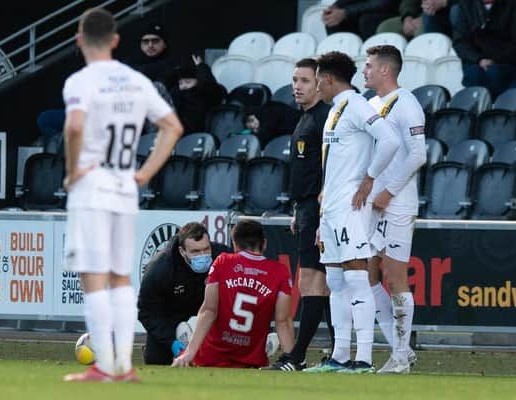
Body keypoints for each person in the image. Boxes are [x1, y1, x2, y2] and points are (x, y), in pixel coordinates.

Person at [61, 9, 183, 382]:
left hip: (93, 186)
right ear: (115, 40)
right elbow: (173, 126)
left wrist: (72, 170)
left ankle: (105, 365)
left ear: (80, 40)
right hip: (125, 189)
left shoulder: (80, 81)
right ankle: (124, 365)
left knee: (94, 278)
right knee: (120, 278)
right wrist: (145, 172)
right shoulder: (136, 80)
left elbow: (75, 125)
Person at [303, 51, 399, 374]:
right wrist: (322, 215)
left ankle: (364, 359)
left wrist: (369, 178)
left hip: (351, 207)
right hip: (331, 210)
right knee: (335, 280)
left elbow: (390, 140)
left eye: (317, 81)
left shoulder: (357, 106)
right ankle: (340, 355)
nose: (317, 87)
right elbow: (334, 166)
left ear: (328, 79)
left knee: (358, 278)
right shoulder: (334, 112)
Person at [263, 58, 333, 372]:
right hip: (306, 208)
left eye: (304, 80)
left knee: (312, 283)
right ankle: (336, 352)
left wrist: (319, 211)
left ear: (320, 83)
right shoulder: (305, 119)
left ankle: (298, 356)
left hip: (319, 209)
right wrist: (298, 209)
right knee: (325, 284)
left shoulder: (323, 120)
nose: (297, 86)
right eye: (294, 80)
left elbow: (330, 171)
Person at [363, 45, 426, 373]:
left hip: (398, 202)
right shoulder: (371, 104)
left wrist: (388, 191)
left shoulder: (408, 105)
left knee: (394, 276)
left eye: (369, 65)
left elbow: (418, 155)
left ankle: (402, 353)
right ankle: (399, 348)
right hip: (373, 203)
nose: (365, 71)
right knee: (365, 273)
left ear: (386, 70)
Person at [171, 220, 295, 368]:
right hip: (251, 360)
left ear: (235, 244)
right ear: (265, 243)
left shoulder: (222, 261)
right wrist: (290, 359)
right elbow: (283, 321)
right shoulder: (280, 272)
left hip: (211, 357)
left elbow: (209, 310)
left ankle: (188, 342)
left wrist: (189, 353)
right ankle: (266, 346)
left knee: (188, 326)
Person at [137, 222, 230, 365]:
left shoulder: (224, 257)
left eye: (206, 249)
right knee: (155, 359)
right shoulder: (159, 269)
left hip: (210, 316)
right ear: (182, 251)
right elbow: (146, 312)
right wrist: (170, 341)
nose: (203, 255)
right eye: (195, 252)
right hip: (171, 317)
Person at [452, 0, 516, 98]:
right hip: (476, 63)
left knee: (495, 73)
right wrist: (479, 60)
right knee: (474, 74)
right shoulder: (466, 5)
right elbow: (460, 42)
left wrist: (495, 60)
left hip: (507, 64)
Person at [170, 55, 226, 134]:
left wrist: (201, 67)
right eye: (181, 83)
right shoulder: (176, 95)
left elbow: (209, 86)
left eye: (188, 82)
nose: (184, 86)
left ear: (199, 82)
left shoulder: (203, 94)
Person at [322, 0, 397, 40]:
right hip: (364, 13)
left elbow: (383, 3)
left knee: (367, 21)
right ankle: (337, 61)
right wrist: (334, 7)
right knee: (332, 20)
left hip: (392, 13)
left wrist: (346, 12)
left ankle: (370, 59)